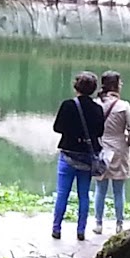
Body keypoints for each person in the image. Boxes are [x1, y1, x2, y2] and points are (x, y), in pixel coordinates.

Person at [50, 71, 103, 241]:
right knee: (84, 195)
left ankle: (57, 228)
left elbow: (57, 127)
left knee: (62, 193)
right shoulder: (97, 109)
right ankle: (81, 231)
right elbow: (100, 132)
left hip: (68, 154)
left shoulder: (68, 105)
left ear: (76, 87)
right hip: (87, 158)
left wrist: (72, 133)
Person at [94, 70, 130, 236]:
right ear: (115, 85)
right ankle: (119, 224)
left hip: (100, 148)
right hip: (119, 149)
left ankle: (98, 223)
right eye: (120, 83)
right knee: (119, 190)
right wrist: (128, 141)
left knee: (100, 188)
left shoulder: (96, 104)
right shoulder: (123, 106)